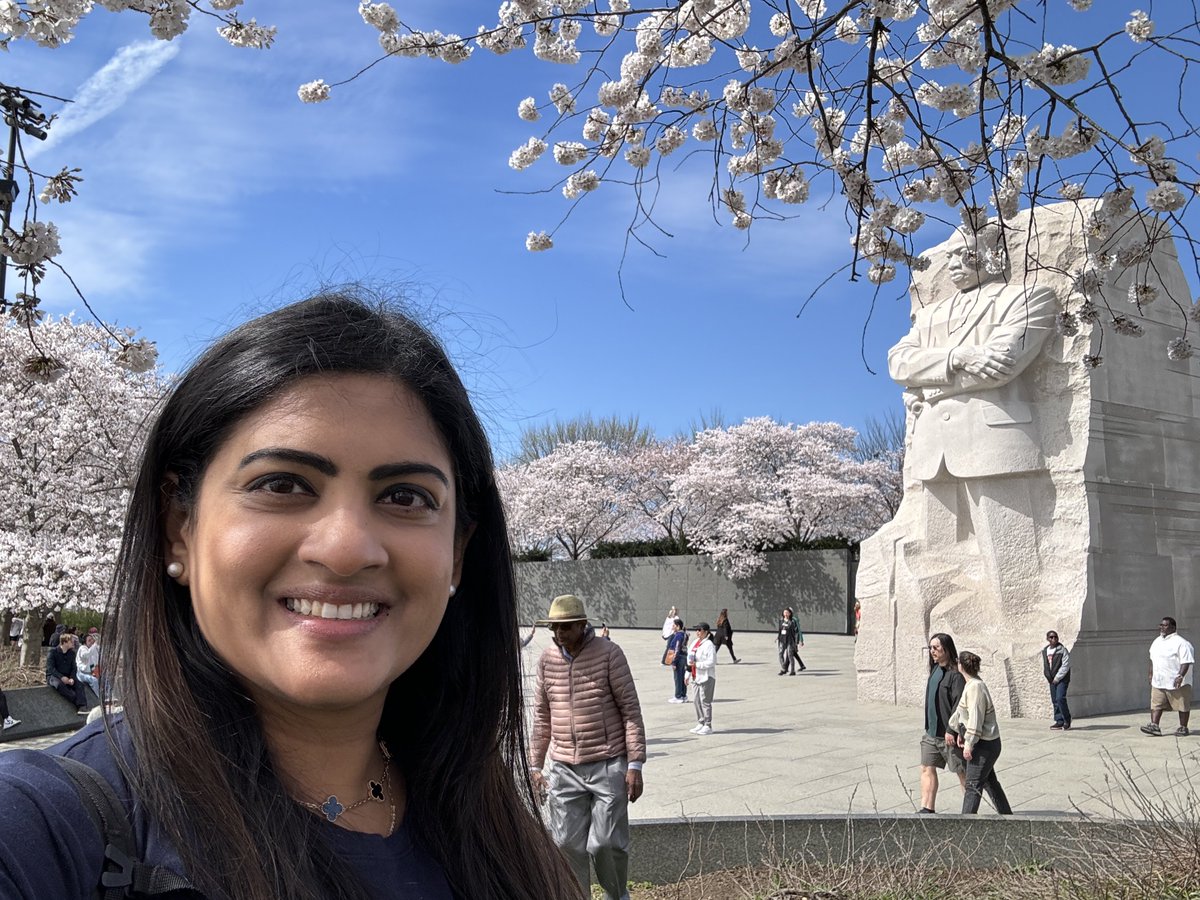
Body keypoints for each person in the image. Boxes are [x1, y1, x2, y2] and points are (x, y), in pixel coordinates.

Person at [0, 293, 579, 899]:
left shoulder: (509, 847)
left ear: (458, 552)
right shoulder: (49, 827)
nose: (347, 548)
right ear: (179, 526)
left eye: (406, 497)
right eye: (282, 484)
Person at [529, 593, 645, 900]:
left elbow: (630, 711)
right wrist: (535, 766)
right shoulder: (547, 660)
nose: (558, 634)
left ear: (582, 625)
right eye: (553, 627)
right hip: (564, 766)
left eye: (565, 627)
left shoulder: (609, 654)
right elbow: (542, 718)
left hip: (608, 762)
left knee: (605, 843)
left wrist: (635, 764)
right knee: (565, 842)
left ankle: (616, 895)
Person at [949, 651, 1014, 815]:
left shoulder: (975, 687)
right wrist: (958, 731)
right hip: (985, 743)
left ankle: (966, 824)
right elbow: (962, 714)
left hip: (984, 744)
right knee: (990, 782)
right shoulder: (972, 684)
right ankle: (1008, 817)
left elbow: (976, 718)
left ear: (961, 666)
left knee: (972, 785)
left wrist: (969, 744)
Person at [918, 632, 966, 814]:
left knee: (962, 772)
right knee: (926, 767)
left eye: (936, 648)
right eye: (930, 648)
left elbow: (959, 705)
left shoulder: (956, 675)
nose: (933, 651)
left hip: (949, 735)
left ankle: (970, 810)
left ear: (947, 648)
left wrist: (951, 730)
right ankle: (927, 808)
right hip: (931, 733)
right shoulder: (935, 669)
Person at [1141, 616, 1194, 737]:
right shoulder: (1157, 641)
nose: (1162, 627)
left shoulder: (1182, 643)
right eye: (1161, 625)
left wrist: (1180, 675)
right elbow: (1152, 659)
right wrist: (1151, 673)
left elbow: (1186, 661)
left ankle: (1183, 727)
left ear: (1173, 627)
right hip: (1159, 680)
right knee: (1156, 704)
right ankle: (1154, 726)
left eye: (1165, 625)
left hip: (1176, 680)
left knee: (1182, 704)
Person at [45, 632, 88, 714]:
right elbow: (51, 668)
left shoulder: (71, 653)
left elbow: (74, 667)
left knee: (79, 684)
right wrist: (61, 677)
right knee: (60, 685)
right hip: (54, 676)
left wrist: (72, 677)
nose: (73, 643)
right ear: (64, 642)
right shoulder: (53, 652)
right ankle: (75, 699)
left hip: (68, 675)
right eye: (71, 642)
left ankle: (82, 707)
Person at [687, 622, 717, 735]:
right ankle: (701, 721)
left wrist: (698, 665)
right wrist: (688, 672)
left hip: (706, 676)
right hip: (695, 676)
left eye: (700, 630)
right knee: (696, 700)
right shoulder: (695, 643)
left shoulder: (709, 644)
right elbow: (689, 658)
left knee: (705, 701)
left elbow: (712, 661)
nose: (697, 632)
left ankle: (708, 725)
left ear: (706, 632)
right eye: (697, 630)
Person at [1042, 630, 1071, 731]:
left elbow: (1065, 666)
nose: (1053, 639)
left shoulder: (1062, 650)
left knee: (1060, 698)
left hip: (1061, 679)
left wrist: (1057, 678)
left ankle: (1067, 719)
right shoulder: (1045, 651)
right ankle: (1059, 721)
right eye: (1051, 637)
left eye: (1055, 637)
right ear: (1047, 639)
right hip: (1052, 680)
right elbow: (1046, 666)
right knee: (1055, 700)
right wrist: (1048, 677)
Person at [665, 617, 688, 703]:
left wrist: (674, 662)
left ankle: (678, 696)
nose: (672, 627)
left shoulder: (679, 635)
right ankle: (683, 695)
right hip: (683, 657)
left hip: (679, 658)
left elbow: (677, 648)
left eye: (673, 625)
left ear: (678, 626)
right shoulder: (684, 634)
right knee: (682, 677)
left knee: (678, 678)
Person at [777, 608, 805, 675]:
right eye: (785, 612)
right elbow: (780, 630)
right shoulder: (781, 620)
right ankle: (786, 668)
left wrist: (800, 640)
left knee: (790, 654)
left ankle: (789, 669)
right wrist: (778, 638)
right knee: (790, 654)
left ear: (790, 613)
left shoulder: (793, 620)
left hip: (791, 640)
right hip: (783, 639)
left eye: (787, 612)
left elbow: (798, 630)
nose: (786, 614)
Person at [75, 633, 100, 698]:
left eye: (92, 640)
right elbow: (86, 655)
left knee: (105, 679)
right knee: (94, 680)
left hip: (91, 671)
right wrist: (94, 645)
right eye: (89, 640)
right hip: (82, 673)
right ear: (85, 642)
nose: (91, 642)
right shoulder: (82, 648)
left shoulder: (93, 648)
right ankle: (99, 697)